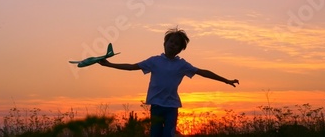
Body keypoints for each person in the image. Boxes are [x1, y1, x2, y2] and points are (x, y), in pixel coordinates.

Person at [98, 27, 239, 137]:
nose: (172, 45)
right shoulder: (154, 61)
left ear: (180, 49)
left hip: (171, 107)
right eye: (171, 42)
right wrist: (109, 64)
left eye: (176, 44)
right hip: (156, 106)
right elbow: (131, 67)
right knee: (155, 134)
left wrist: (226, 80)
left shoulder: (182, 65)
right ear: (164, 43)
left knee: (168, 135)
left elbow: (203, 72)